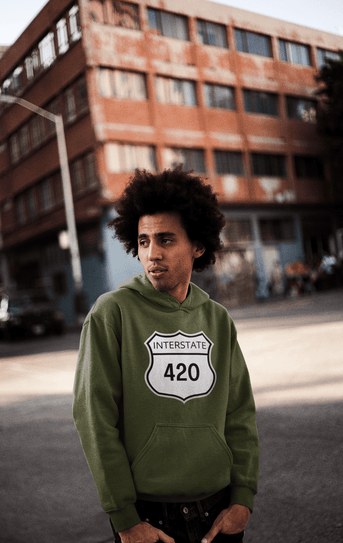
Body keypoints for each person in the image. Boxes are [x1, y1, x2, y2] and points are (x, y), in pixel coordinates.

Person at [73, 168, 260, 543]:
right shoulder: (112, 313)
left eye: (165, 239)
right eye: (143, 241)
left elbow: (239, 414)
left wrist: (242, 501)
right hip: (148, 516)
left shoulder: (217, 320)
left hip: (219, 510)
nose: (152, 253)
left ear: (198, 245)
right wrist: (125, 519)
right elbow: (95, 420)